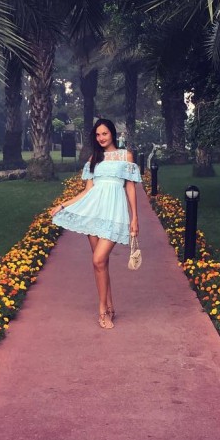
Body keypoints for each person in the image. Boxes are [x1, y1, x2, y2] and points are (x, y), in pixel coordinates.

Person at [50, 118, 141, 330]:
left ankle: (101, 309)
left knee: (98, 260)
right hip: (94, 213)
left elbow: (130, 188)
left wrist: (134, 218)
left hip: (115, 214)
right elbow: (87, 191)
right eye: (98, 135)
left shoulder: (125, 156)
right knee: (101, 264)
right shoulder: (94, 159)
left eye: (104, 134)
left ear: (112, 134)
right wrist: (63, 205)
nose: (101, 138)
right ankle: (109, 307)